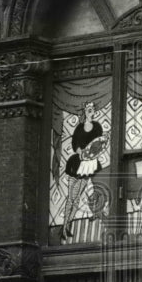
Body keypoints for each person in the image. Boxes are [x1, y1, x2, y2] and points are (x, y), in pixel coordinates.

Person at [60, 101, 110, 239]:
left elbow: (98, 145)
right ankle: (64, 226)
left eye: (92, 109)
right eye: (88, 109)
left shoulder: (97, 127)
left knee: (76, 199)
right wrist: (80, 152)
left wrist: (104, 140)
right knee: (71, 198)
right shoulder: (79, 128)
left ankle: (68, 226)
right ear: (85, 111)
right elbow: (75, 144)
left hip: (89, 164)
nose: (90, 111)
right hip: (77, 164)